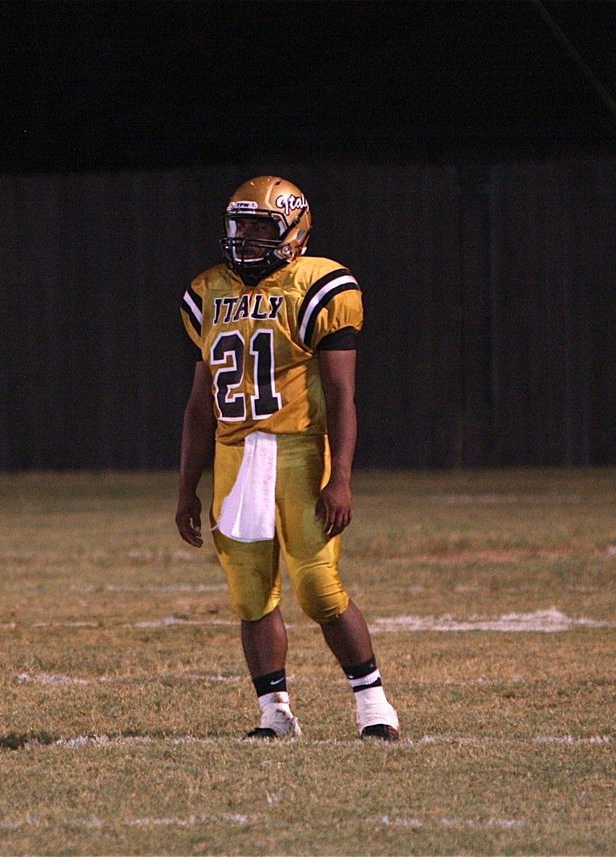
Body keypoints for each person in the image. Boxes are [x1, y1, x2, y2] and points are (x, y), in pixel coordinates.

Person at [175, 176, 400, 741]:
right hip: (234, 455)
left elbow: (342, 396)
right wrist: (186, 488)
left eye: (260, 227)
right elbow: (200, 405)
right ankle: (274, 714)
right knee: (251, 595)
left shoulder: (318, 284)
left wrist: (340, 477)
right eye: (241, 225)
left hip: (300, 448)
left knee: (320, 588)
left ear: (293, 230)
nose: (246, 237)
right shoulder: (207, 292)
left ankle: (374, 707)